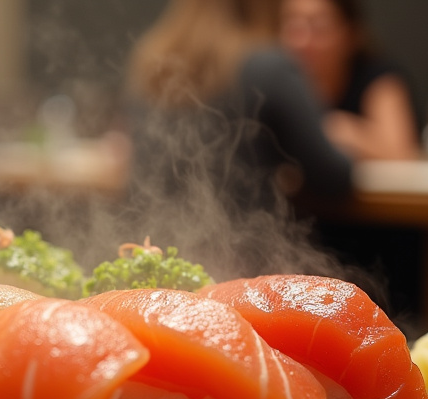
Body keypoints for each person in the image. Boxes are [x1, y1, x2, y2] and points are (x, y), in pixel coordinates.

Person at [124, 0, 353, 280]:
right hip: (242, 272)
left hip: (154, 266)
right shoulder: (268, 65)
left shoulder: (150, 61)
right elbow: (333, 178)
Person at [280, 0, 420, 160]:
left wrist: (338, 129)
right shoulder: (278, 82)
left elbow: (402, 154)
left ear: (351, 34)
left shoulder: (379, 78)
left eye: (318, 26)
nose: (301, 41)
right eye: (292, 25)